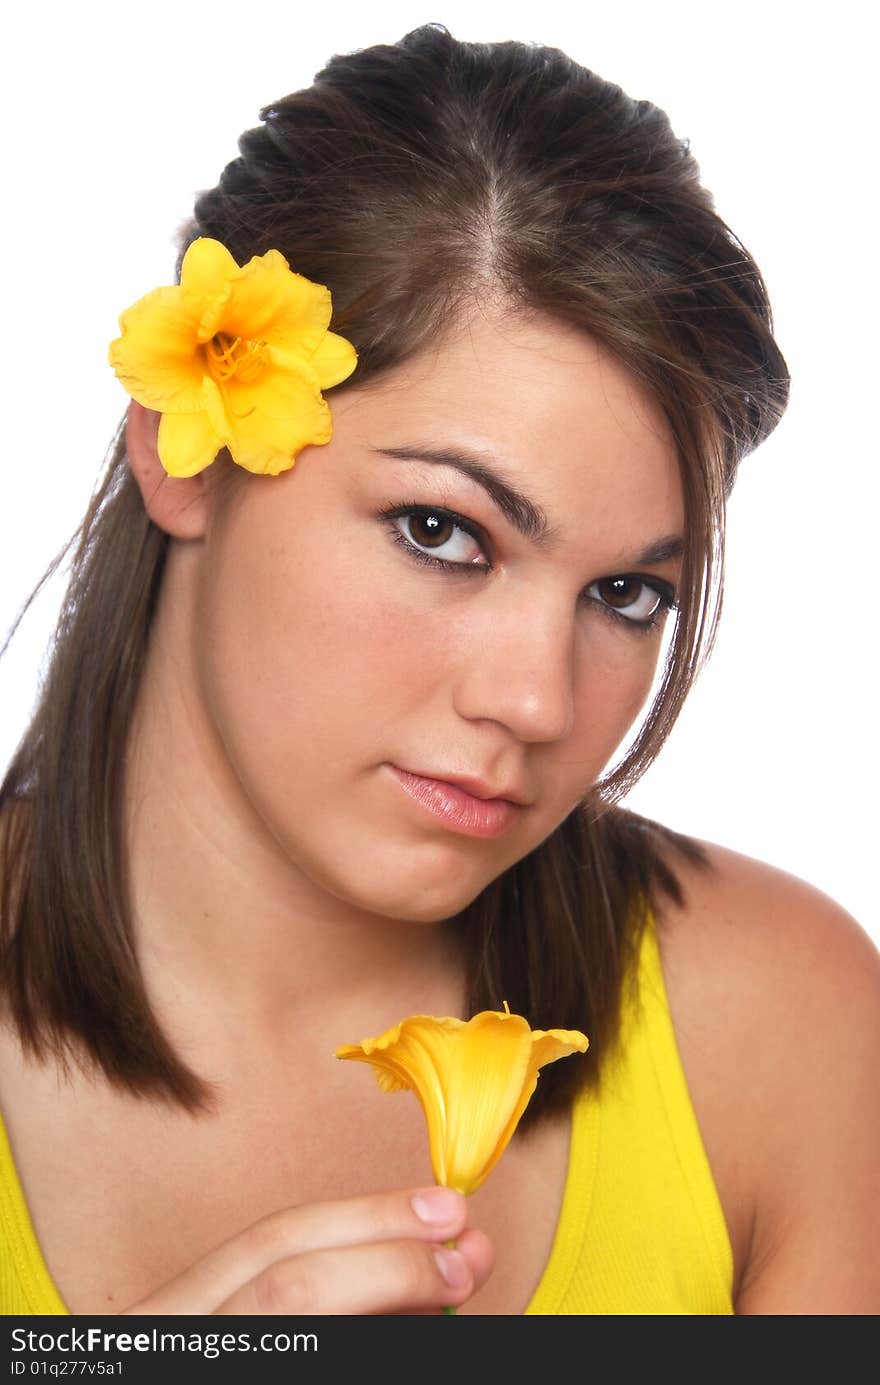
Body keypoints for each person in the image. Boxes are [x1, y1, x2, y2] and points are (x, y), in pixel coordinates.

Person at [0, 22, 877, 1318]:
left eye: (628, 593)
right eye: (443, 532)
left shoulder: (785, 1027)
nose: (533, 702)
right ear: (186, 455)